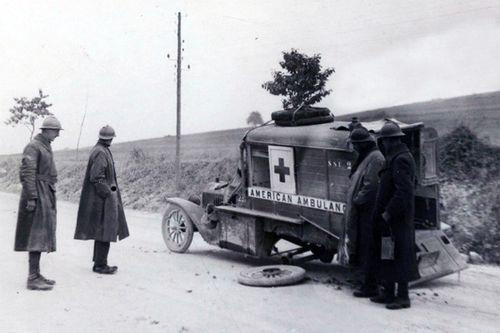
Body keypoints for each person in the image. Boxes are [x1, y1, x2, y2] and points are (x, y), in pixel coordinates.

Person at [370, 121, 420, 310]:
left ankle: (403, 297)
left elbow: (404, 192)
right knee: (388, 253)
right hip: (390, 217)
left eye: (384, 141)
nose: (383, 144)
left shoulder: (400, 159)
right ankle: (388, 292)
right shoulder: (395, 156)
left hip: (397, 217)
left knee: (401, 255)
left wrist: (388, 213)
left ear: (390, 141)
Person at [14, 116, 63, 290]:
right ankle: (32, 278)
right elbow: (27, 173)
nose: (57, 135)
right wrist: (32, 198)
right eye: (56, 131)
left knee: (41, 235)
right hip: (37, 193)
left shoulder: (44, 146)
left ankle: (36, 274)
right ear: (47, 130)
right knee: (36, 235)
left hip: (45, 191)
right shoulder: (34, 146)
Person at [74, 125, 129, 274]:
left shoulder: (101, 149)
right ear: (110, 138)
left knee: (103, 231)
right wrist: (108, 193)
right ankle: (100, 265)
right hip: (102, 199)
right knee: (106, 230)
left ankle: (100, 263)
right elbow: (97, 177)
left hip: (102, 198)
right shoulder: (100, 152)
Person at [342, 127, 385, 298]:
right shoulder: (368, 156)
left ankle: (370, 286)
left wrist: (358, 200)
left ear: (362, 144)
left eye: (355, 145)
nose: (354, 148)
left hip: (368, 212)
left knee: (368, 249)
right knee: (362, 247)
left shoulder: (375, 158)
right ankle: (366, 282)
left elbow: (371, 186)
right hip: (363, 211)